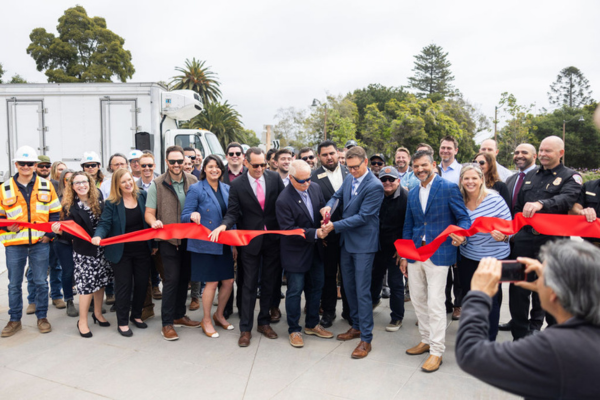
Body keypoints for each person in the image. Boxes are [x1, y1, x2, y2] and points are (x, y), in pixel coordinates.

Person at [456, 240, 600, 400]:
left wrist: (479, 294)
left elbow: (470, 354)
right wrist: (549, 284)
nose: (538, 280)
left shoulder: (556, 348)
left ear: (554, 293)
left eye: (543, 277)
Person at [401, 149, 470, 372]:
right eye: (416, 166)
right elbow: (408, 225)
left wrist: (462, 234)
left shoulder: (448, 188)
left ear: (433, 164)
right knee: (418, 300)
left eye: (424, 165)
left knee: (435, 303)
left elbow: (463, 218)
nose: (420, 169)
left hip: (439, 254)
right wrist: (404, 254)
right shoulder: (412, 192)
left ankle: (437, 351)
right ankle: (426, 339)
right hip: (415, 254)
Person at [209, 147, 285, 347]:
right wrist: (224, 225)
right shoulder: (238, 184)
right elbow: (233, 211)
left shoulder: (274, 179)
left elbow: (284, 204)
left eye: (263, 165)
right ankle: (245, 329)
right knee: (248, 285)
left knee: (269, 283)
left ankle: (264, 322)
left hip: (272, 240)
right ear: (246, 163)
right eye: (256, 165)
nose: (260, 168)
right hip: (249, 242)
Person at [510, 136, 582, 340]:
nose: (542, 154)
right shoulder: (530, 175)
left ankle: (549, 337)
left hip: (552, 243)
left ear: (561, 153)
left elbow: (567, 199)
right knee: (519, 290)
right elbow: (519, 207)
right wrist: (513, 233)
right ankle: (520, 336)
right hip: (524, 241)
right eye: (541, 150)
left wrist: (542, 203)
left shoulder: (571, 176)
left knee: (550, 290)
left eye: (548, 151)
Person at [321, 146, 384, 359]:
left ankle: (366, 339)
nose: (353, 171)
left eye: (356, 167)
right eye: (349, 168)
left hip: (364, 245)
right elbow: (336, 195)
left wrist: (334, 226)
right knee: (349, 288)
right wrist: (328, 207)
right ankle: (356, 326)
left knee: (363, 291)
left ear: (365, 162)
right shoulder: (348, 178)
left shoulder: (375, 186)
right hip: (347, 244)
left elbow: (364, 217)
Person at [1, 146, 61, 338]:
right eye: (22, 163)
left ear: (35, 165)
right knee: (13, 284)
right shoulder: (4, 188)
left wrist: (49, 236)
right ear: (16, 164)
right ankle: (14, 320)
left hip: (39, 242)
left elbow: (55, 213)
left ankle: (42, 317)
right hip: (14, 244)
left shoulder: (46, 185)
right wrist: (5, 228)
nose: (26, 166)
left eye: (30, 163)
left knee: (41, 282)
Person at [450, 164, 511, 341]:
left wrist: (504, 237)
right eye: (466, 178)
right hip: (468, 256)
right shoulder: (458, 200)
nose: (470, 182)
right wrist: (459, 239)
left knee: (490, 299)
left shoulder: (495, 199)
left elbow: (510, 228)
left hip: (494, 257)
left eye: (474, 178)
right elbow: (458, 229)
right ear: (461, 180)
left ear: (481, 179)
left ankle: (489, 339)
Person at [145, 145, 201, 340]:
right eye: (173, 161)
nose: (177, 165)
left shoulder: (194, 181)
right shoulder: (157, 184)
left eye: (180, 161)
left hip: (189, 240)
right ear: (167, 162)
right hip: (168, 241)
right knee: (171, 280)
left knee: (184, 278)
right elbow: (149, 213)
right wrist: (154, 222)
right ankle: (167, 323)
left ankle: (179, 315)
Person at [276, 160, 333, 347]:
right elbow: (289, 229)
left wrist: (325, 212)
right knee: (294, 292)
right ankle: (294, 329)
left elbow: (321, 206)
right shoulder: (283, 199)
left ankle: (312, 324)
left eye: (309, 178)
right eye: (302, 181)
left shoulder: (315, 187)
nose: (307, 183)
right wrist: (315, 233)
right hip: (295, 253)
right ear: (291, 178)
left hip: (315, 249)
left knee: (316, 287)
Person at [53, 172, 112, 338]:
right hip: (84, 253)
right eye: (77, 183)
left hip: (101, 249)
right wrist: (59, 232)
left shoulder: (99, 199)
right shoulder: (68, 207)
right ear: (72, 186)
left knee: (101, 283)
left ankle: (98, 313)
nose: (81, 185)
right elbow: (68, 234)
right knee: (86, 287)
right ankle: (82, 321)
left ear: (90, 183)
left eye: (84, 182)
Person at [182, 155, 235, 338]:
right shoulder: (196, 188)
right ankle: (206, 319)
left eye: (218, 166)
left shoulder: (227, 188)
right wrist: (193, 215)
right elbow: (185, 214)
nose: (214, 169)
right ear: (204, 169)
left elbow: (233, 216)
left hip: (225, 242)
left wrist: (235, 244)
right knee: (211, 283)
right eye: (210, 166)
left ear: (222, 170)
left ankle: (219, 314)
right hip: (204, 244)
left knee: (228, 281)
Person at [498, 143, 542, 333]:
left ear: (535, 156)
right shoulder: (511, 178)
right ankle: (518, 322)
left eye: (524, 152)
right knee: (516, 286)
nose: (519, 155)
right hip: (514, 240)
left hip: (538, 240)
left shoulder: (542, 176)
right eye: (516, 152)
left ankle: (535, 325)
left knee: (538, 286)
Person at [311, 140, 351, 328]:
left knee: (348, 274)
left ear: (338, 153)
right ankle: (328, 312)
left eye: (332, 153)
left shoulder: (350, 172)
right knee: (328, 275)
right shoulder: (312, 177)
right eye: (325, 154)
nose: (329, 157)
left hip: (349, 233)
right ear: (319, 157)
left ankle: (350, 311)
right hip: (327, 237)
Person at [368, 167, 408, 332]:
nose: (387, 183)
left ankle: (397, 317)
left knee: (395, 282)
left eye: (391, 179)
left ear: (398, 181)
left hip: (396, 249)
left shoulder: (406, 198)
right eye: (384, 179)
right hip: (378, 245)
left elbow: (409, 225)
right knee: (374, 277)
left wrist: (403, 249)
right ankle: (374, 301)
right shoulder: (376, 194)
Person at [26, 155, 64, 311]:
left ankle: (56, 296)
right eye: (41, 166)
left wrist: (50, 234)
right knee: (33, 269)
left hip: (54, 235)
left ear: (50, 168)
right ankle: (32, 300)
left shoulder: (57, 185)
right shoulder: (29, 185)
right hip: (35, 236)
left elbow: (58, 212)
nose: (44, 168)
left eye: (47, 166)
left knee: (56, 267)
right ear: (35, 167)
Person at [438, 136, 463, 320]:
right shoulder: (433, 169)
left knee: (458, 270)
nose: (445, 150)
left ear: (456, 150)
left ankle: (458, 305)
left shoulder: (462, 172)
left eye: (449, 148)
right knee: (440, 269)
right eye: (443, 147)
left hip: (457, 225)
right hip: (437, 226)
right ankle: (444, 303)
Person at [221, 142, 248, 319]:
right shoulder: (219, 174)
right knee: (226, 273)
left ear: (243, 156)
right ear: (227, 156)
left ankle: (243, 306)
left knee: (245, 273)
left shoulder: (251, 173)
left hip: (246, 230)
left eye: (238, 153)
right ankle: (226, 308)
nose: (235, 156)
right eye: (231, 153)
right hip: (225, 227)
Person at [54, 169, 79, 318]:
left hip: (81, 242)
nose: (70, 183)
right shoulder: (57, 199)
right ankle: (69, 300)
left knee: (82, 272)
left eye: (73, 180)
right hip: (63, 241)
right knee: (68, 271)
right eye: (67, 180)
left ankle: (87, 300)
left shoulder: (84, 197)